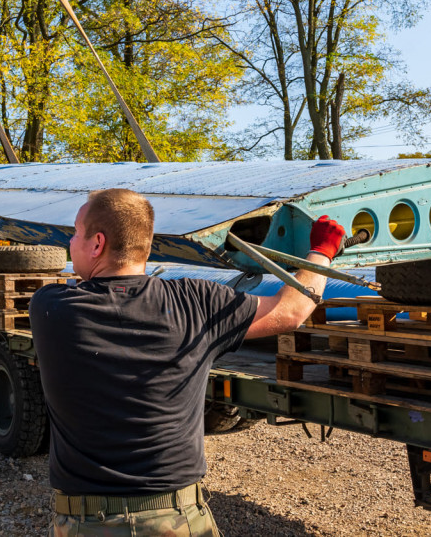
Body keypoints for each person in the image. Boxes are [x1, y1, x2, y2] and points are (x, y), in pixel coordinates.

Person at [30, 188, 345, 536]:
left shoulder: (51, 307)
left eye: (76, 233)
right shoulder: (196, 302)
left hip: (87, 524)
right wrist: (322, 251)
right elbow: (291, 311)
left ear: (97, 243)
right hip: (178, 520)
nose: (71, 242)